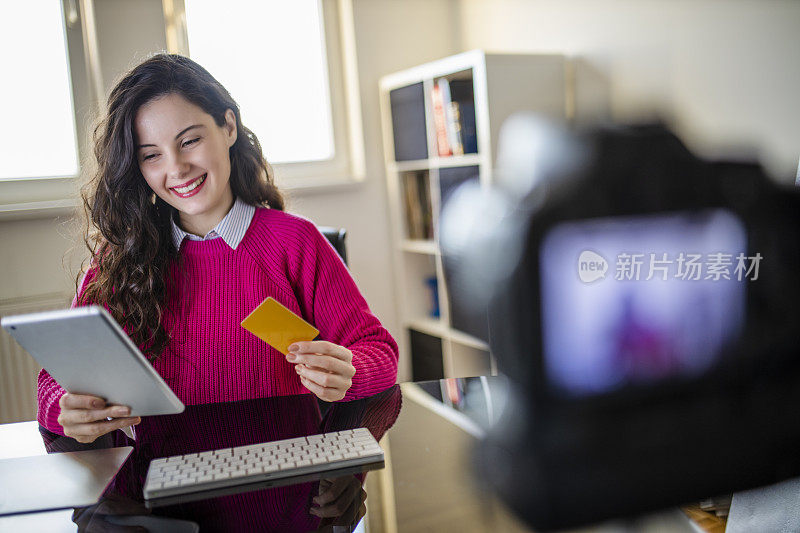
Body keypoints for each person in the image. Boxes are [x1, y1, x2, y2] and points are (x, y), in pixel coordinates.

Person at [36, 54, 399, 444]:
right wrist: (66, 408)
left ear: (228, 126)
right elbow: (52, 382)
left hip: (282, 480)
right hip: (161, 486)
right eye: (151, 155)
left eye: (189, 140)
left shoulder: (296, 242)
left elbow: (378, 352)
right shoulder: (120, 259)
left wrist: (349, 371)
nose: (176, 168)